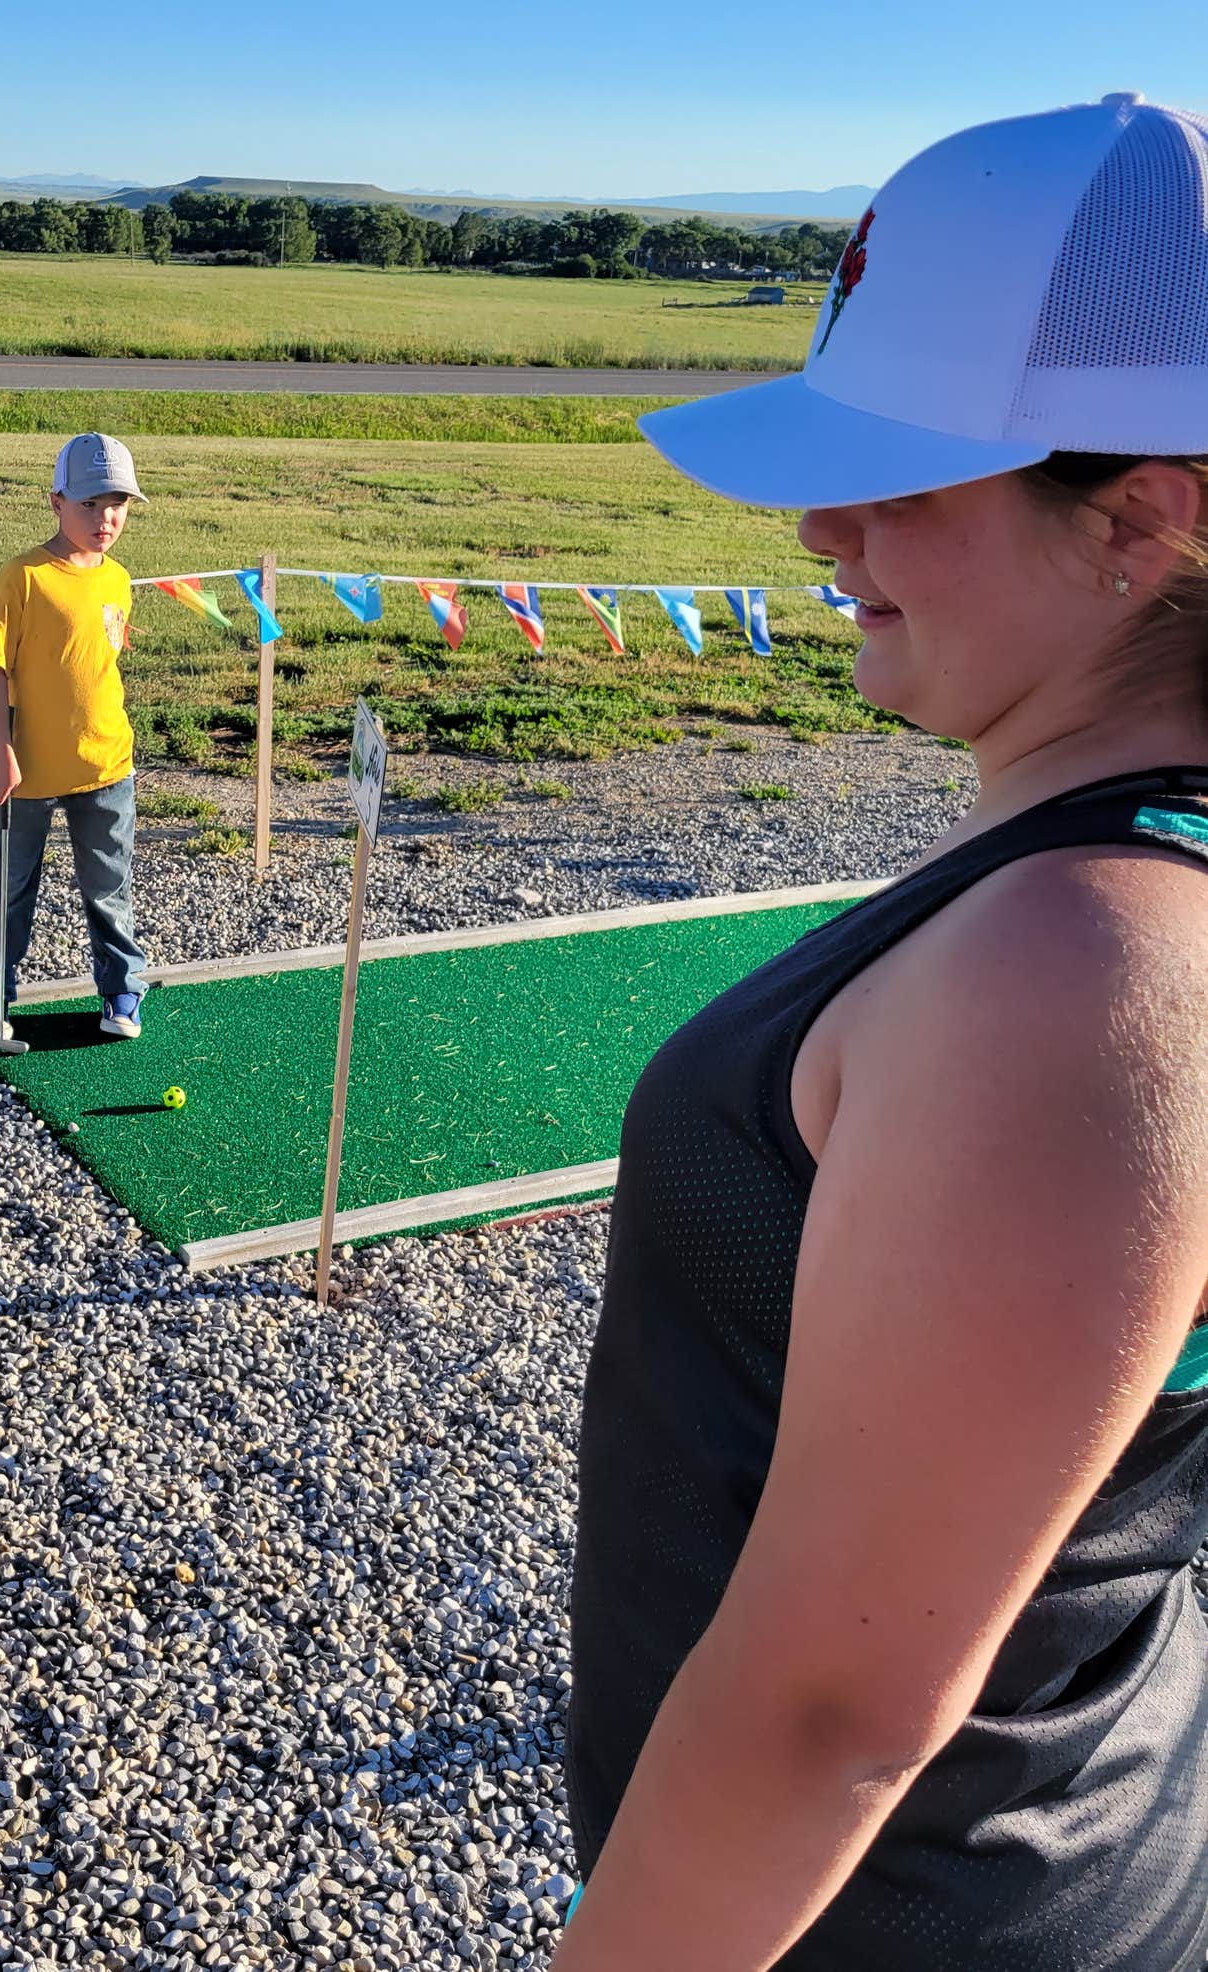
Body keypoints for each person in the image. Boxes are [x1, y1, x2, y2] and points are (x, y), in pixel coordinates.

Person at [557, 94, 1208, 1970]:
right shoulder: (1102, 881)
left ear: (1139, 517)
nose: (819, 528)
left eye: (900, 475)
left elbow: (832, 1712)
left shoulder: (1076, 966)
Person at [0, 433, 150, 1046]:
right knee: (10, 889)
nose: (105, 518)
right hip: (27, 774)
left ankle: (122, 988)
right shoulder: (23, 577)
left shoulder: (119, 579)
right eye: (89, 503)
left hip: (107, 765)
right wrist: (0, 750)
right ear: (56, 503)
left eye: (117, 503)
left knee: (109, 887)